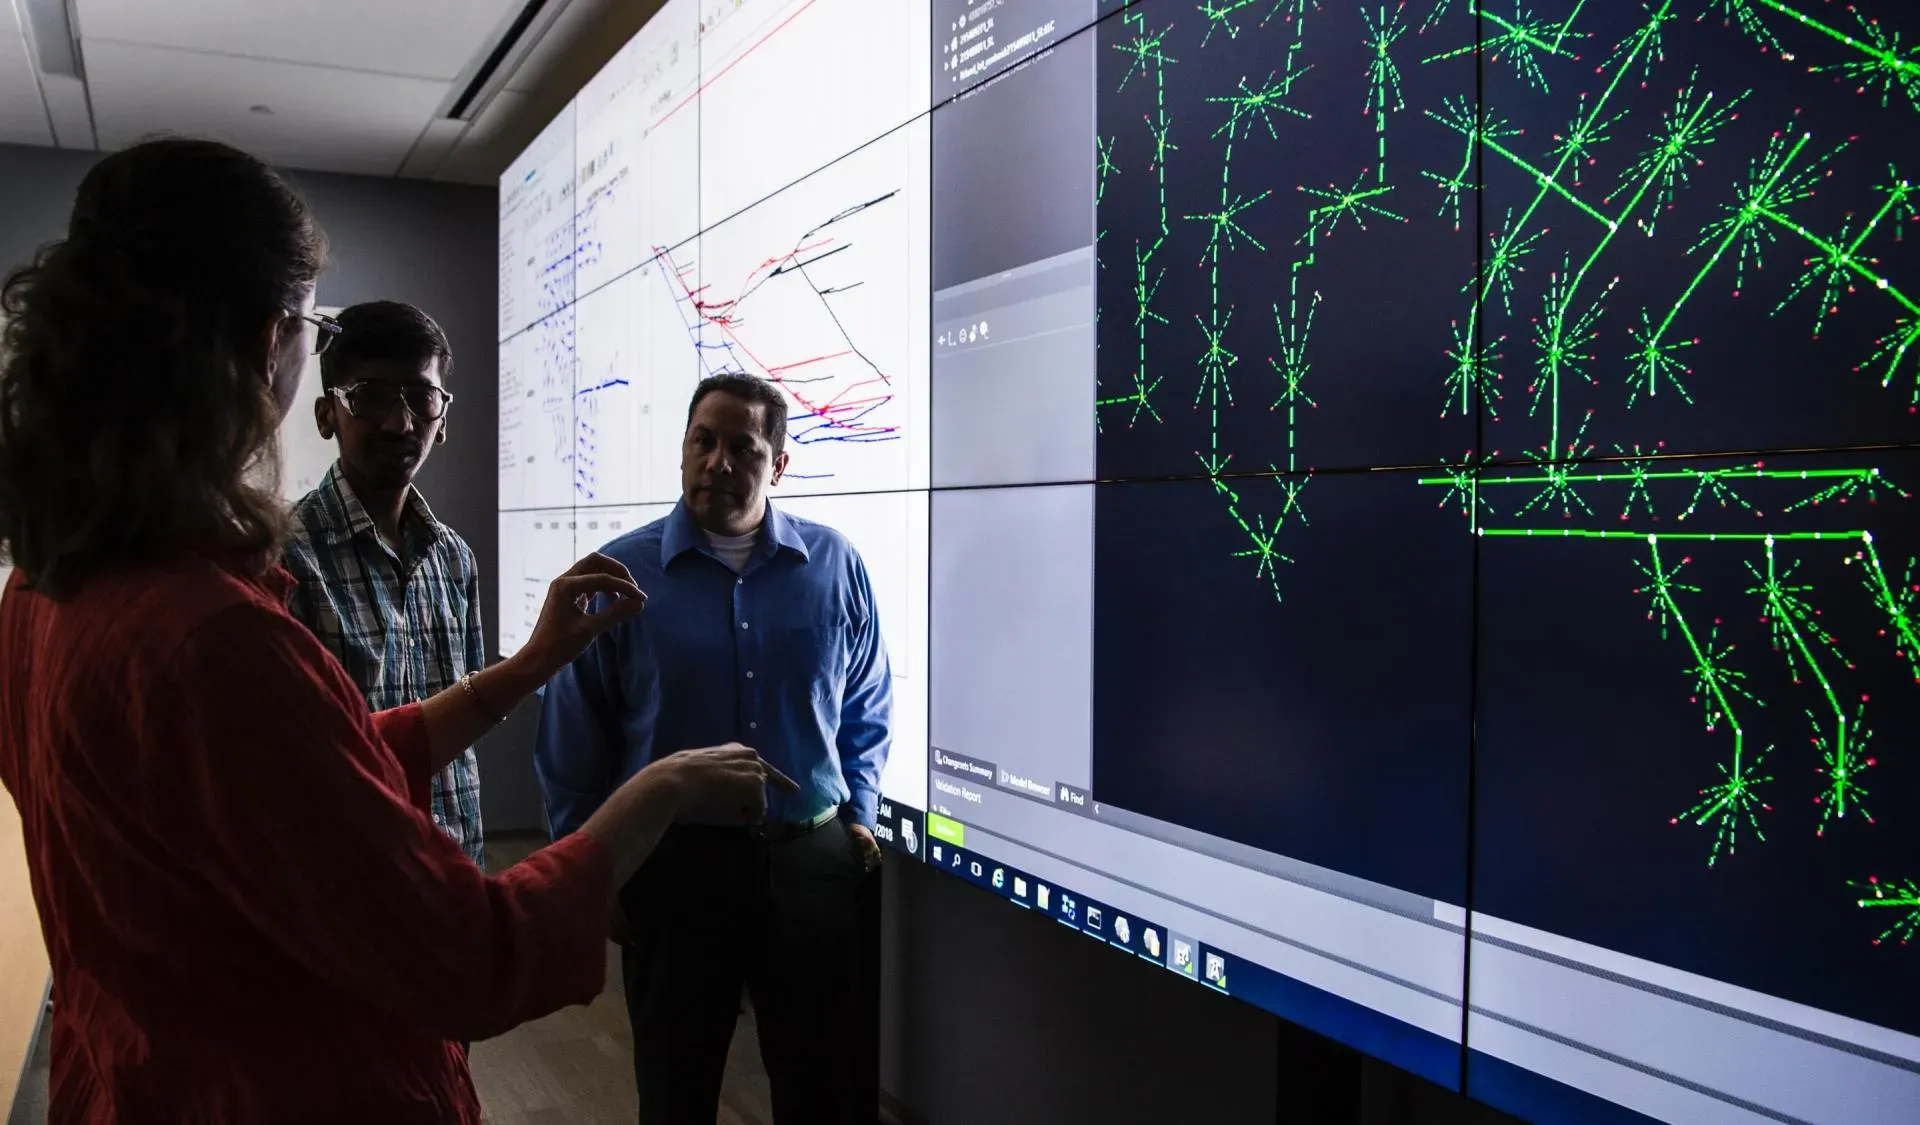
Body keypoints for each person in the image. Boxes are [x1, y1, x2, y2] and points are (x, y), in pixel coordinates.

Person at [0, 137, 793, 1125]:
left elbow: (294, 779)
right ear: (269, 347)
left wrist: (525, 669)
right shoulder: (213, 638)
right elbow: (472, 957)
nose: (400, 419)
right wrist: (659, 789)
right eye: (314, 323)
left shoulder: (46, 590)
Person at [536, 371, 892, 1125]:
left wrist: (859, 810)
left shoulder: (834, 565)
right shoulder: (620, 574)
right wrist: (586, 867)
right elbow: (575, 730)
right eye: (703, 441)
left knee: (822, 1080)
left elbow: (865, 697)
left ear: (779, 463)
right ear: (683, 449)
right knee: (675, 1082)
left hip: (809, 860)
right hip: (672, 867)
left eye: (742, 446)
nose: (717, 461)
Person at [282, 300, 489, 869]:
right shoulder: (284, 556)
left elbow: (466, 728)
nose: (400, 423)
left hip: (455, 877)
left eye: (421, 397)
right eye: (371, 397)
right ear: (328, 416)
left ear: (441, 418)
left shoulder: (455, 560)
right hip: (348, 893)